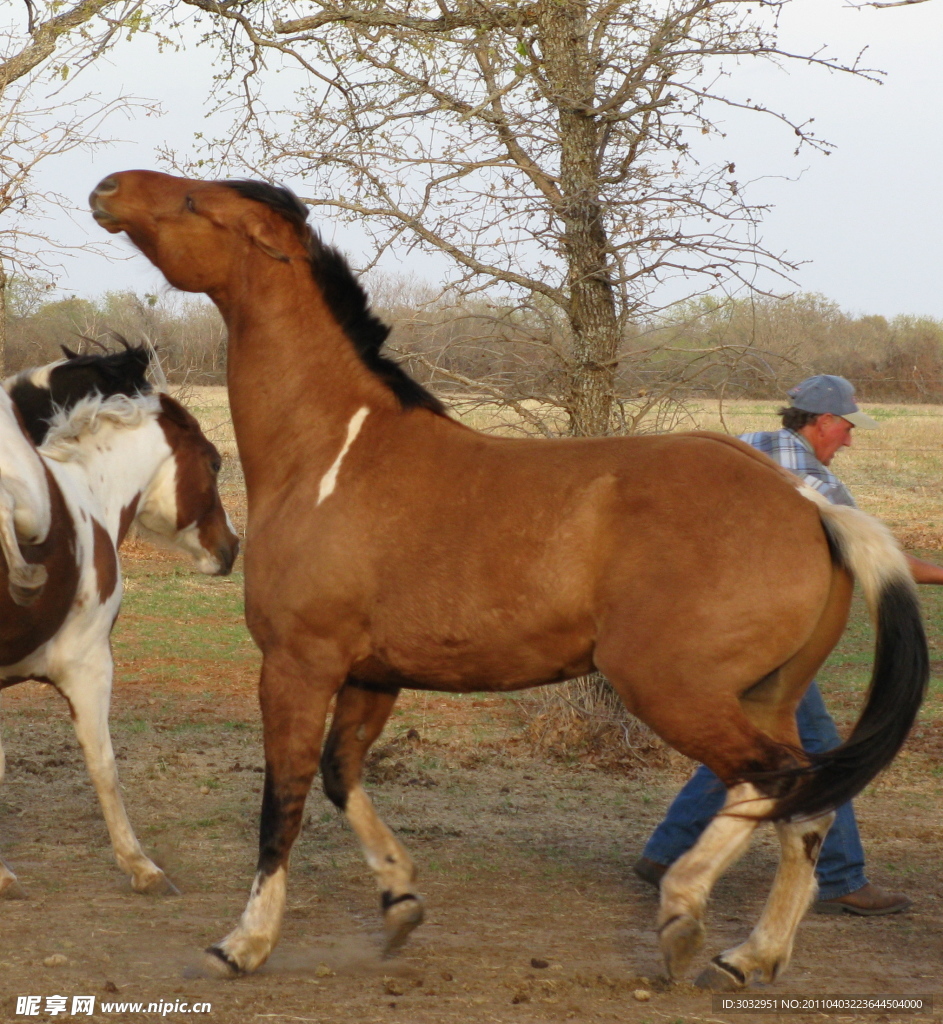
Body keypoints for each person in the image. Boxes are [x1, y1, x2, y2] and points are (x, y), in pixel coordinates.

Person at [635, 374, 943, 915]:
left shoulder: (747, 449)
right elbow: (872, 555)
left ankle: (667, 851)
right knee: (815, 742)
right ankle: (844, 878)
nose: (849, 439)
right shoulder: (801, 475)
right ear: (822, 421)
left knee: (751, 736)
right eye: (847, 427)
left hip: (709, 621)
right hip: (759, 624)